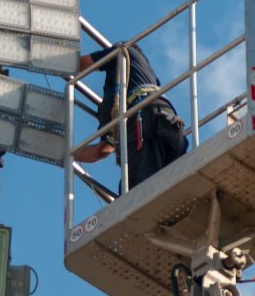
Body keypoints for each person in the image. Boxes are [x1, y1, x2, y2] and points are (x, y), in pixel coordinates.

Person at [74, 42, 188, 191]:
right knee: (171, 189)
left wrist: (49, 58)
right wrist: (72, 155)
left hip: (144, 120)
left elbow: (79, 64)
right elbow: (103, 149)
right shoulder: (145, 79)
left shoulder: (125, 53)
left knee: (137, 193)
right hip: (169, 124)